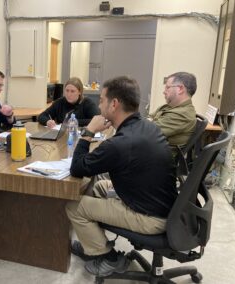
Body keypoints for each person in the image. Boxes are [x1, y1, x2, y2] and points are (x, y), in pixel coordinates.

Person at [65, 76, 177, 277]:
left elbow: (77, 167)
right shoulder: (147, 127)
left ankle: (109, 258)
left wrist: (89, 131)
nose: (99, 105)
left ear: (114, 104)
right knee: (99, 186)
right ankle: (94, 243)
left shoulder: (120, 144)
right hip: (163, 205)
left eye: (101, 100)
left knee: (73, 206)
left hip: (149, 217)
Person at [149, 72, 197, 148]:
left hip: (157, 156)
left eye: (167, 87)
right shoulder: (169, 107)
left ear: (180, 89)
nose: (164, 92)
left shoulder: (182, 114)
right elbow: (148, 119)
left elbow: (147, 132)